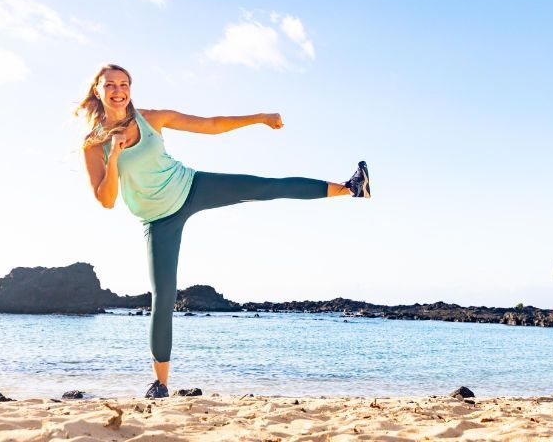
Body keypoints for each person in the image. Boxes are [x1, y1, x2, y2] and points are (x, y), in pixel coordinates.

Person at [75, 63, 370, 398]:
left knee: (263, 187)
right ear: (97, 89)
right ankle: (161, 384)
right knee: (163, 297)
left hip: (192, 186)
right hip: (157, 221)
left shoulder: (151, 118)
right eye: (110, 84)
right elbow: (107, 200)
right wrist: (113, 157)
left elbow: (211, 125)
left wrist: (259, 117)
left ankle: (351, 188)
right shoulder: (93, 145)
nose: (118, 91)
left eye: (124, 83)